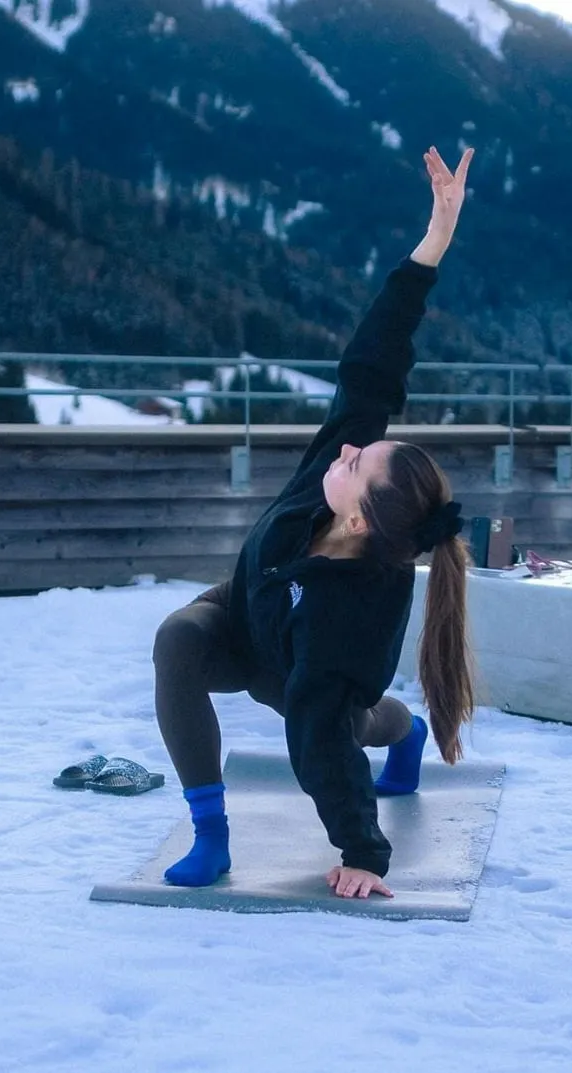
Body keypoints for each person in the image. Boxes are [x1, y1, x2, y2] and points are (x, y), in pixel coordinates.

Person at [152, 145, 478, 901]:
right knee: (176, 640)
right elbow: (372, 367)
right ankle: (210, 832)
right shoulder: (335, 475)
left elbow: (323, 750)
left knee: (347, 729)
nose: (350, 449)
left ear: (361, 519)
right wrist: (433, 243)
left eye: (360, 462)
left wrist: (364, 851)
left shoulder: (348, 617)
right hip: (243, 611)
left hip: (301, 668)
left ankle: (406, 734)